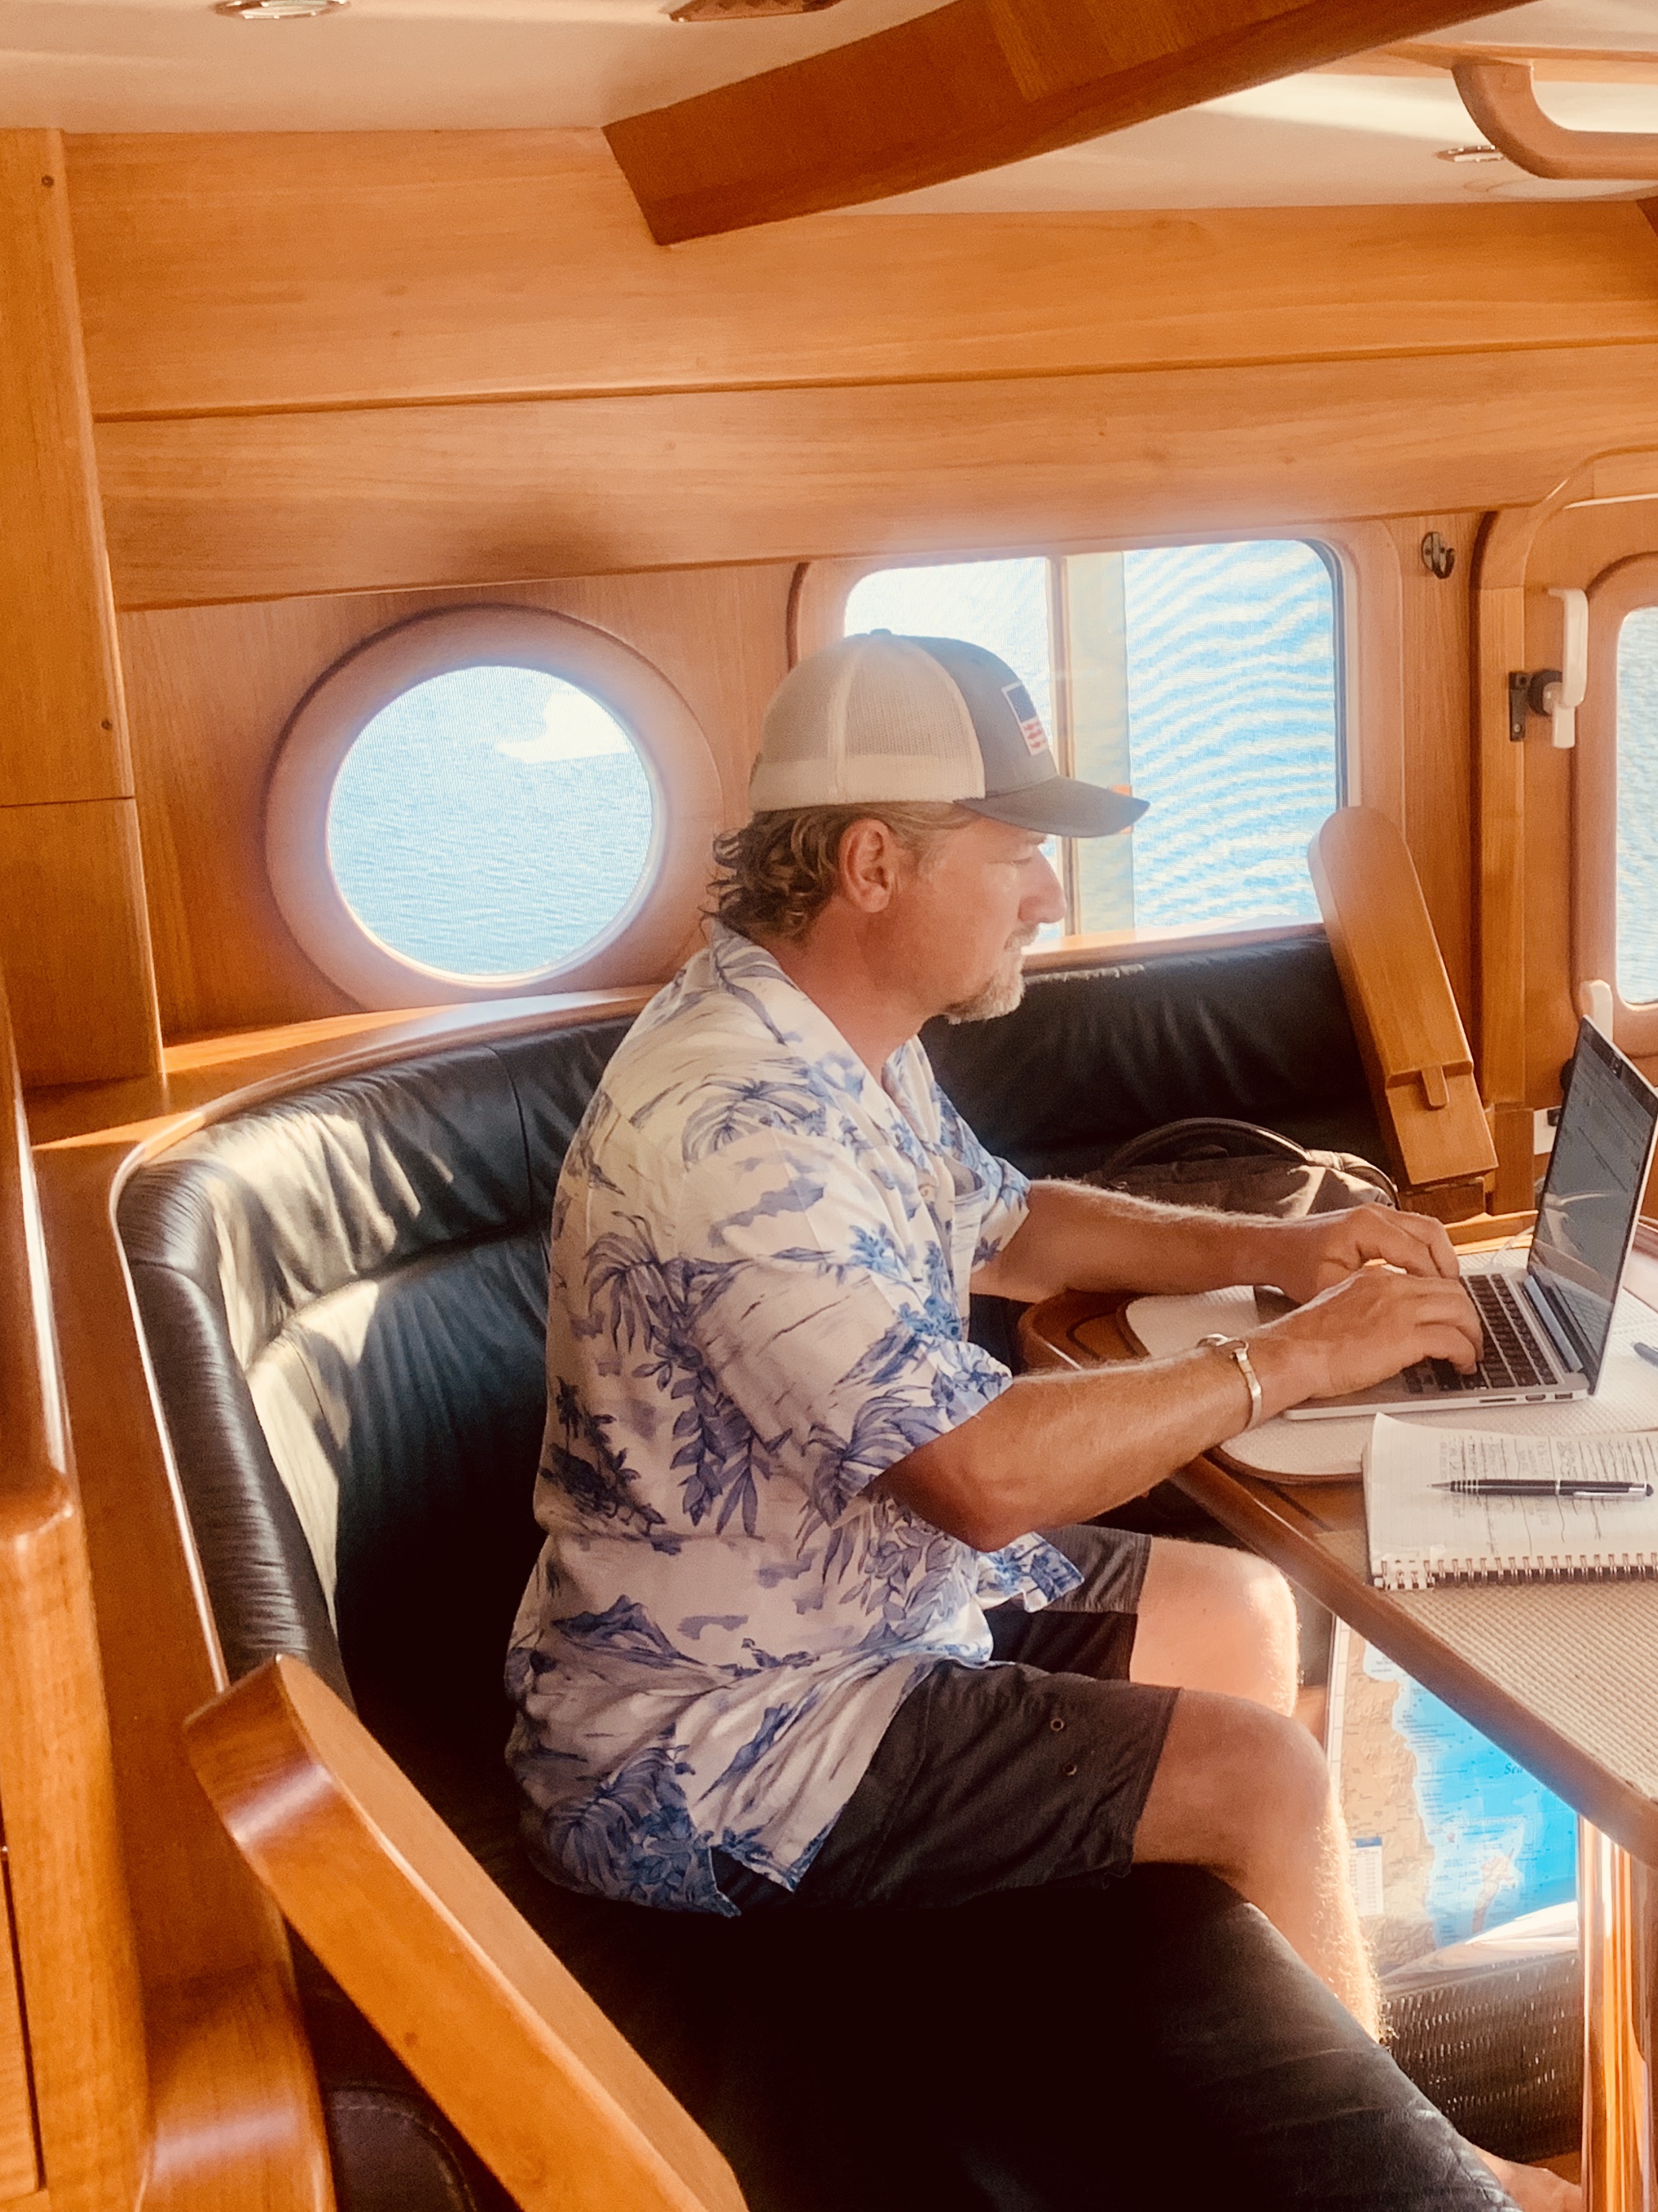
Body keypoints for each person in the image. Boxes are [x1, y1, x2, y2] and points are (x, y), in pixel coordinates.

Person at [505, 630, 1567, 2208]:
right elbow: (984, 1482)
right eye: (1016, 855)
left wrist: (1279, 1255)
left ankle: (1259, 2101)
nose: (1049, 896)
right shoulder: (736, 1130)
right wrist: (1297, 1360)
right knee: (1263, 1777)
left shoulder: (826, 1039)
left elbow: (1007, 1228)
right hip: (722, 1746)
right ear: (874, 861)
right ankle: (1408, 2188)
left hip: (853, 1622)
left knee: (1237, 1603)